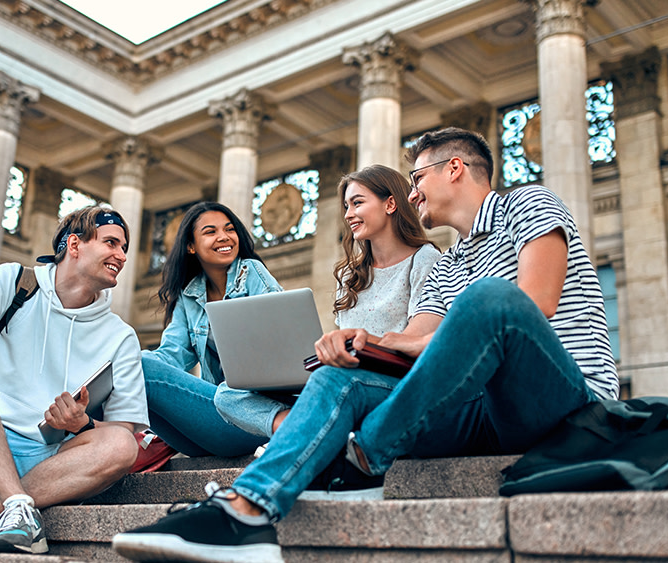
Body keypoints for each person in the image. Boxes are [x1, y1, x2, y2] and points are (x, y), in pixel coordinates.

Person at [112, 127, 619, 563]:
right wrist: (365, 342)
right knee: (340, 378)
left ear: (456, 168)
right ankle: (247, 511)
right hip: (483, 411)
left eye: (417, 179)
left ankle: (358, 460)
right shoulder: (449, 264)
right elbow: (410, 338)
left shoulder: (526, 204)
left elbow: (532, 306)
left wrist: (417, 347)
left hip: (563, 400)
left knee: (490, 298)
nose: (414, 194)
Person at [0, 206, 147, 554]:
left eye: (124, 248)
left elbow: (124, 430)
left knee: (121, 445)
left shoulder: (122, 337)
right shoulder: (13, 282)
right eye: (112, 243)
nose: (122, 255)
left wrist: (82, 424)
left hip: (43, 462)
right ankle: (15, 506)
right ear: (74, 245)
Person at [213, 164, 440, 499]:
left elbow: (418, 342)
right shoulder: (350, 276)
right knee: (228, 393)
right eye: (347, 206)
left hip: (386, 385)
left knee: (337, 387)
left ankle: (307, 436)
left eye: (358, 203)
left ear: (390, 204)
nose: (349, 214)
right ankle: (304, 429)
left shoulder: (425, 259)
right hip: (339, 377)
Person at [143, 202, 289, 458]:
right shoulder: (189, 295)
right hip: (218, 422)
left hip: (257, 413)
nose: (224, 237)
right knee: (136, 368)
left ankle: (292, 425)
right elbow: (170, 357)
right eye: (210, 232)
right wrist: (121, 361)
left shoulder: (251, 271)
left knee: (139, 367)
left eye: (229, 229)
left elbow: (282, 338)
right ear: (191, 246)